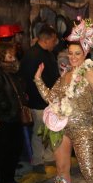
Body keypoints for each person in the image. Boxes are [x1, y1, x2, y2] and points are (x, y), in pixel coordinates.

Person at [34, 19, 93, 183]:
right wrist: (38, 79)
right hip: (63, 128)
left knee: (88, 170)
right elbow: (51, 97)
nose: (74, 57)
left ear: (84, 54)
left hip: (83, 127)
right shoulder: (65, 75)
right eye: (71, 53)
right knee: (61, 168)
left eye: (78, 53)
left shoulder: (90, 72)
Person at [19, 25, 60, 173]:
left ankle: (49, 157)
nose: (56, 43)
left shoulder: (48, 53)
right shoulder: (32, 55)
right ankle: (37, 161)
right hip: (38, 102)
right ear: (47, 40)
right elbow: (30, 81)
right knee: (38, 133)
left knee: (50, 130)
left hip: (50, 100)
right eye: (54, 40)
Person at [0, 43, 25, 183]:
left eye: (13, 54)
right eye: (10, 54)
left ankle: (11, 177)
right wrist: (8, 107)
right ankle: (5, 180)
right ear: (1, 54)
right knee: (5, 151)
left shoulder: (12, 69)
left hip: (15, 116)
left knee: (15, 149)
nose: (13, 56)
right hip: (4, 118)